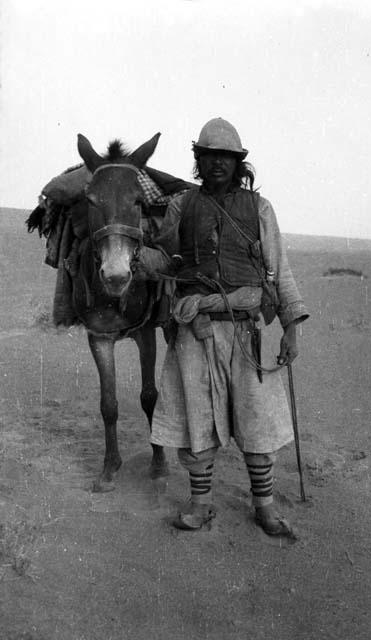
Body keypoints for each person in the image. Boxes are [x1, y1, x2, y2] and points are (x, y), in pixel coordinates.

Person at [140, 118, 309, 536]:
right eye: (208, 156)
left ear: (238, 163)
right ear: (199, 161)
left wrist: (291, 326)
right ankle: (201, 504)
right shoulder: (182, 206)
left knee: (256, 418)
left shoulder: (260, 208)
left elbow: (279, 271)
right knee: (196, 418)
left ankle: (265, 508)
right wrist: (134, 253)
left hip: (245, 329)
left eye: (225, 157)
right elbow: (166, 261)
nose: (217, 163)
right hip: (195, 329)